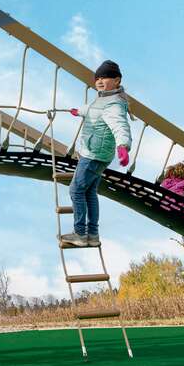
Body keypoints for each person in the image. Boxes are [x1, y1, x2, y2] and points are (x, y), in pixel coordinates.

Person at [62, 60, 132, 247]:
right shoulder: (105, 98)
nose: (100, 81)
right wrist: (79, 111)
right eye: (97, 78)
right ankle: (92, 235)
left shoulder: (115, 104)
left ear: (116, 80)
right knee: (90, 192)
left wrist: (123, 146)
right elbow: (94, 110)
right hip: (99, 153)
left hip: (93, 155)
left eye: (105, 77)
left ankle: (80, 233)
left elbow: (120, 125)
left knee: (76, 190)